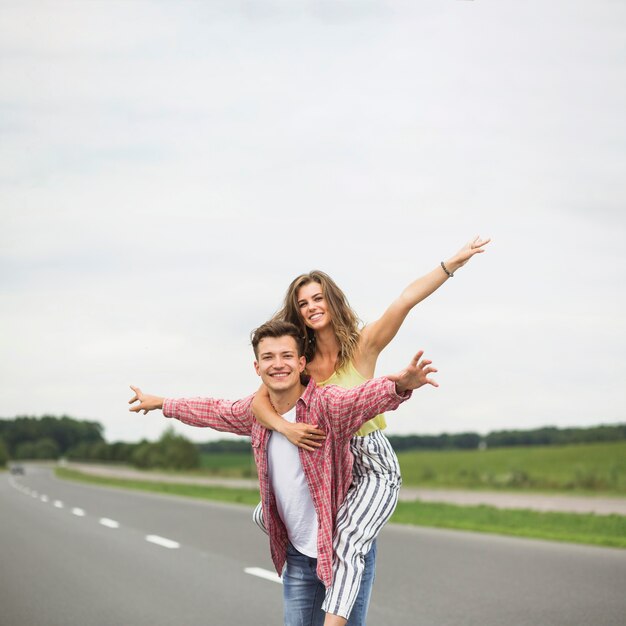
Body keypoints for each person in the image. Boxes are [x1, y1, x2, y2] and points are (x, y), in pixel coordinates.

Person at [128, 320, 438, 626]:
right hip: (300, 557)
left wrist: (400, 385)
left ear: (302, 362)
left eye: (287, 356)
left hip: (339, 551)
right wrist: (162, 403)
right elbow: (212, 410)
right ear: (257, 367)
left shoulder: (327, 406)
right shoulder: (255, 414)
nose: (278, 364)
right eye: (269, 357)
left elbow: (361, 398)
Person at [251, 236, 490, 625]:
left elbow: (405, 299)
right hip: (329, 462)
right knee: (269, 512)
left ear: (332, 300)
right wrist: (286, 429)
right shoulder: (302, 363)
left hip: (369, 457)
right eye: (303, 303)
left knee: (348, 541)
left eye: (317, 298)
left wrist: (451, 265)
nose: (311, 307)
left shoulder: (363, 346)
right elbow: (258, 403)